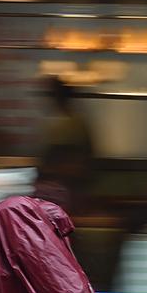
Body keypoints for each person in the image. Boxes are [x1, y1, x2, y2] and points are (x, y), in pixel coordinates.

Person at [33, 76, 95, 214]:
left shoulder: (68, 123)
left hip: (65, 187)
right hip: (69, 186)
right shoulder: (75, 120)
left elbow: (58, 158)